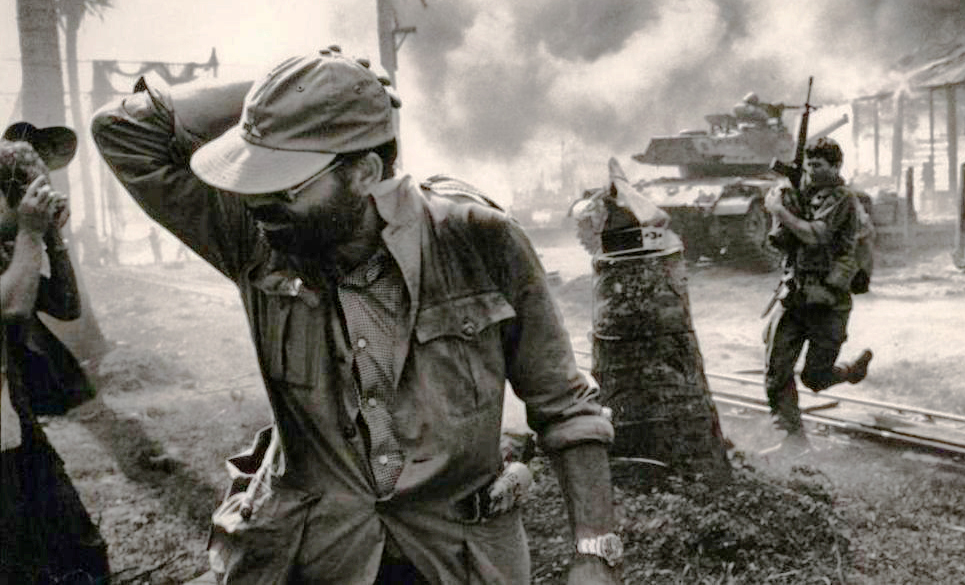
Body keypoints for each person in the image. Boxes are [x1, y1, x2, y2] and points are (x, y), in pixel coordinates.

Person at [92, 45, 623, 584]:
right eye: (254, 182)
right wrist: (294, 87)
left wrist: (593, 554)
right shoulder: (255, 239)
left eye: (287, 187)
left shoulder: (477, 239)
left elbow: (566, 406)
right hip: (314, 558)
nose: (258, 204)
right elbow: (121, 131)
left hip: (458, 563)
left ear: (364, 172)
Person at [1, 129, 110, 584]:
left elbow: (65, 306)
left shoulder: (10, 247)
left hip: (14, 424)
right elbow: (12, 307)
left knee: (78, 549)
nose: (37, 208)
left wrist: (54, 241)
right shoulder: (16, 242)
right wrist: (29, 233)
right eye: (26, 198)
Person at [762, 137, 873, 443]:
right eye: (809, 165)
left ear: (836, 166)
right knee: (776, 373)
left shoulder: (842, 198)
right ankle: (793, 441)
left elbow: (815, 235)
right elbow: (780, 240)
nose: (811, 171)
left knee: (815, 378)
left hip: (828, 298)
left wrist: (779, 210)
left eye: (819, 166)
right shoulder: (798, 192)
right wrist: (781, 205)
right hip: (796, 293)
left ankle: (850, 371)